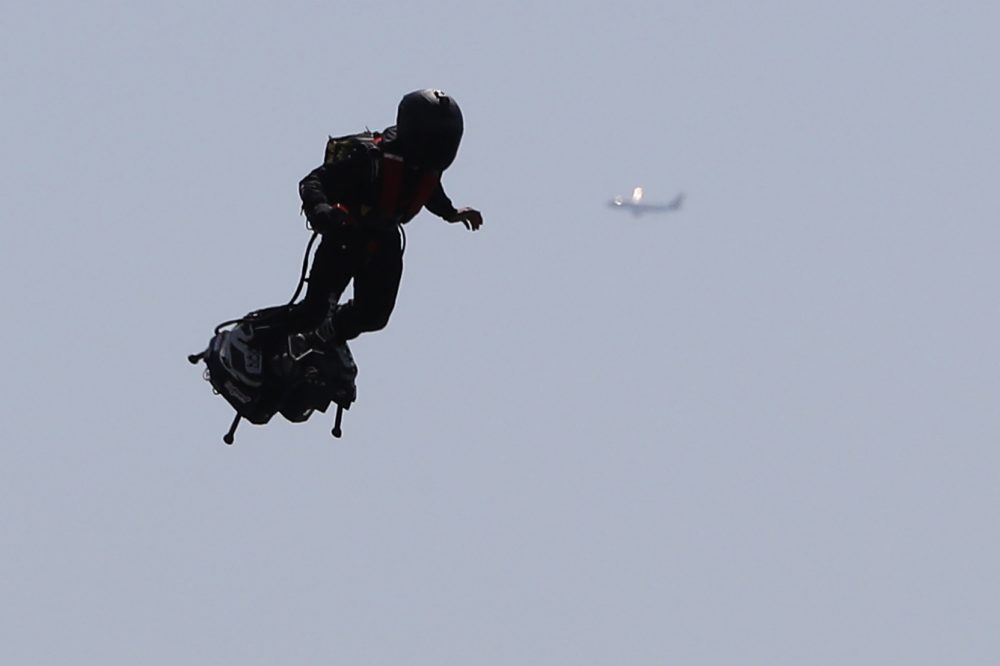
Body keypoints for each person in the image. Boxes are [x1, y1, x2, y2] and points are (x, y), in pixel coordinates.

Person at [247, 89, 483, 360]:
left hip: (385, 240)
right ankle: (251, 336)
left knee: (374, 315)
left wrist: (451, 213)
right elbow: (313, 182)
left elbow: (429, 190)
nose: (439, 150)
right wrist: (321, 210)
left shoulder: (425, 167)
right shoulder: (370, 159)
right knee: (312, 312)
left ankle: (325, 336)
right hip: (347, 235)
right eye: (436, 142)